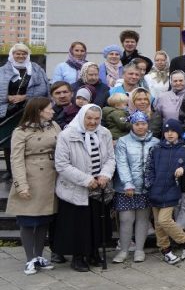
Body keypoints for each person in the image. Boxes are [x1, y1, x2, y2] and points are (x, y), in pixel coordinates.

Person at [52, 104, 116, 272]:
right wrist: (86, 179)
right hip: (76, 187)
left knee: (97, 222)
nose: (93, 122)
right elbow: (62, 165)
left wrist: (105, 175)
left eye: (96, 119)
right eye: (89, 118)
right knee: (78, 224)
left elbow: (110, 158)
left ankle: (93, 252)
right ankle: (78, 256)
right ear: (82, 117)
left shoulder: (104, 133)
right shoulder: (67, 135)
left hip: (98, 186)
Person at [7, 98, 60, 274]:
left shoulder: (54, 126)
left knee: (44, 218)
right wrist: (22, 185)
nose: (52, 111)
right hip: (31, 177)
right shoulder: (21, 131)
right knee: (28, 220)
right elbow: (16, 160)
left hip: (51, 175)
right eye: (49, 109)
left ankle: (39, 256)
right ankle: (29, 258)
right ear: (39, 111)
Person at [111, 111, 158, 264]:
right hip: (126, 188)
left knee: (143, 219)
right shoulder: (123, 142)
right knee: (126, 219)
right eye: (137, 124)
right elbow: (122, 163)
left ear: (147, 124)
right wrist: (127, 183)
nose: (140, 127)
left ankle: (139, 249)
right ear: (132, 125)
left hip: (146, 188)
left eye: (143, 124)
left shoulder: (155, 142)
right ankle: (124, 250)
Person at [1, 43, 49, 120]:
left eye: (24, 54)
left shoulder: (36, 69)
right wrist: (7, 97)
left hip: (31, 108)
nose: (21, 56)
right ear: (12, 54)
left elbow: (43, 89)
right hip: (7, 110)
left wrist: (25, 97)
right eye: (18, 54)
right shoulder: (2, 71)